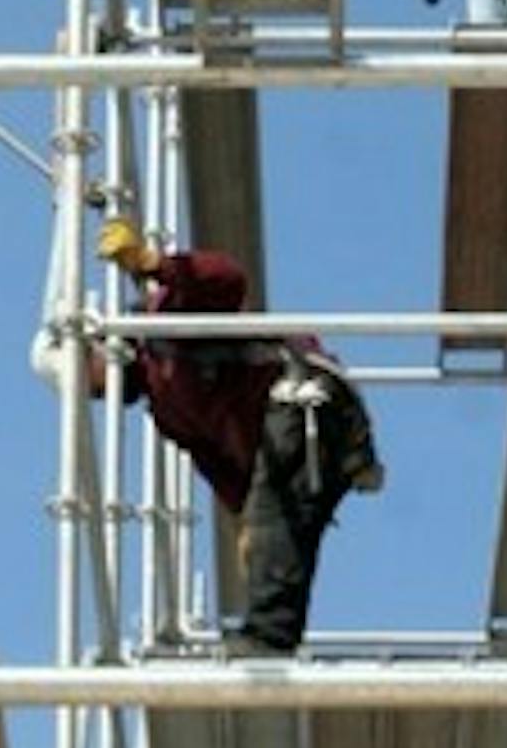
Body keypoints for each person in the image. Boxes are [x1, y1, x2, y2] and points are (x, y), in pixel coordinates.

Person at [90, 220, 381, 654]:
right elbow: (219, 463)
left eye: (90, 380)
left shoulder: (165, 323)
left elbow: (227, 277)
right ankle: (272, 637)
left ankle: (268, 641)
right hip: (288, 436)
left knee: (275, 521)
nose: (99, 394)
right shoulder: (166, 407)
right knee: (281, 537)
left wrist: (153, 264)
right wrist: (241, 517)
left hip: (302, 400)